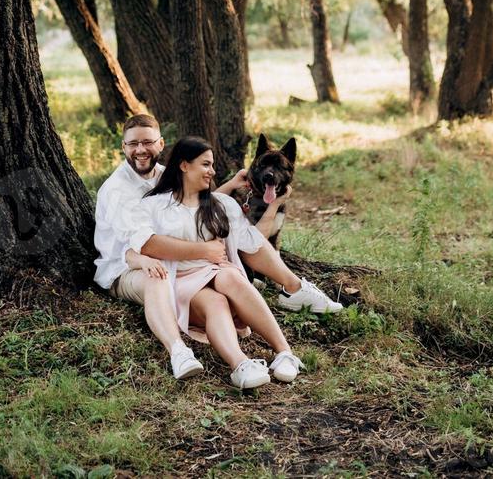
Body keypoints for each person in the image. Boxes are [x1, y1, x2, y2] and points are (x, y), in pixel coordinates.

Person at [93, 114, 341, 382]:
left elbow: (195, 207)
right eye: (133, 144)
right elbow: (146, 245)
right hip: (131, 265)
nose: (140, 150)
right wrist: (205, 251)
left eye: (147, 142)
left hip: (188, 261)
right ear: (123, 146)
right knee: (202, 291)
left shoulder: (167, 176)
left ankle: (289, 319)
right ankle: (211, 358)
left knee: (233, 260)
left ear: (161, 144)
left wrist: (235, 191)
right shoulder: (121, 191)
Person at [131, 136, 304, 388]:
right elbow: (147, 244)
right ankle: (240, 364)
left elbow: (253, 242)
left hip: (216, 271)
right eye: (205, 164)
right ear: (183, 165)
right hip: (180, 278)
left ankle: (285, 352)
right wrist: (203, 250)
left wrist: (274, 204)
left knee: (232, 275)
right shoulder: (154, 205)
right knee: (215, 300)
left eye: (211, 165)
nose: (212, 171)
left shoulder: (220, 203)